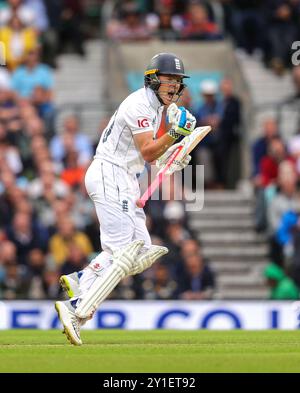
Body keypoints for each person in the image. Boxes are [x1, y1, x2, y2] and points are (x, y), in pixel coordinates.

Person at [54, 53, 197, 345]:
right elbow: (147, 151)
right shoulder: (138, 104)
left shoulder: (157, 107)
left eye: (178, 82)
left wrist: (174, 155)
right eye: (169, 80)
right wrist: (174, 135)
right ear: (153, 78)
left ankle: (84, 279)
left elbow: (151, 153)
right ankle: (77, 309)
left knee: (141, 250)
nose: (174, 86)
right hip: (110, 174)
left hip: (125, 179)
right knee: (123, 253)